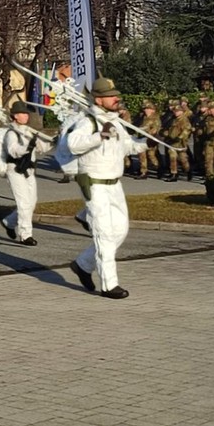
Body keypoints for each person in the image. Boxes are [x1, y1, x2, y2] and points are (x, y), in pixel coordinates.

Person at [67, 77, 148, 300]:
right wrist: (99, 135)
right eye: (112, 96)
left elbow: (128, 146)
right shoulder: (87, 121)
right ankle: (109, 284)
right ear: (100, 99)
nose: (117, 99)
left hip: (114, 183)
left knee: (120, 231)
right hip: (94, 184)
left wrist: (148, 142)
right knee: (104, 234)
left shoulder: (116, 122)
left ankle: (83, 265)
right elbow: (73, 145)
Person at [2, 102, 54, 245]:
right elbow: (13, 151)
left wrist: (53, 141)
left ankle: (9, 222)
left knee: (31, 203)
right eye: (23, 113)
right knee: (24, 203)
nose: (26, 116)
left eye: (26, 113)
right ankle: (25, 235)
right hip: (16, 170)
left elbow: (41, 148)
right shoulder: (11, 133)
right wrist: (28, 145)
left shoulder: (29, 131)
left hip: (29, 170)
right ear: (15, 116)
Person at [135, 101, 161, 180]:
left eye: (148, 109)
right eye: (145, 109)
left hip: (150, 139)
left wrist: (146, 131)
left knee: (151, 155)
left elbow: (155, 129)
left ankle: (159, 168)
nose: (146, 110)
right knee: (141, 155)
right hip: (142, 139)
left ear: (153, 110)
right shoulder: (143, 117)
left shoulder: (155, 118)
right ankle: (143, 172)